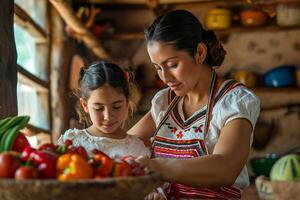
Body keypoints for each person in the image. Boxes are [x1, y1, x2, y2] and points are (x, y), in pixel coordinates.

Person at [128, 10, 260, 199]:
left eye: (172, 65)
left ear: (199, 53)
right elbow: (124, 145)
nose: (165, 78)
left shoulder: (234, 101)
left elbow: (226, 168)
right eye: (158, 68)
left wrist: (157, 167)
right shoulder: (165, 102)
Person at [58, 61, 150, 159]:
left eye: (116, 106)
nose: (108, 116)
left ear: (127, 102)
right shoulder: (72, 141)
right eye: (99, 108)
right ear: (85, 105)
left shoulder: (136, 149)